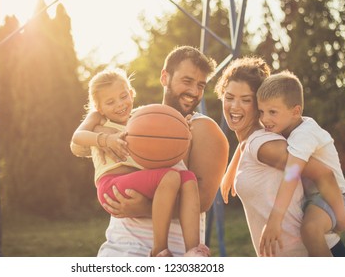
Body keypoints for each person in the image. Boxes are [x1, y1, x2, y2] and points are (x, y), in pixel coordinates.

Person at [73, 46, 229, 257]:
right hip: (119, 249)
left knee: (179, 178)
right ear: (164, 77)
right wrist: (104, 133)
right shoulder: (134, 118)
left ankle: (189, 250)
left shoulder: (204, 128)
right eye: (187, 81)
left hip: (175, 253)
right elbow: (77, 146)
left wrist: (145, 207)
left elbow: (202, 200)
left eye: (200, 85)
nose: (194, 91)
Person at [215, 56, 345, 256]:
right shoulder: (257, 141)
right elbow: (247, 144)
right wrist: (230, 170)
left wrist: (342, 218)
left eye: (245, 100)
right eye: (229, 97)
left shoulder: (265, 144)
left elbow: (323, 173)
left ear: (258, 102)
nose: (234, 106)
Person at [256, 70, 345, 256]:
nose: (264, 119)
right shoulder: (285, 125)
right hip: (313, 197)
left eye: (272, 112)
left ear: (296, 111)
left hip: (332, 195)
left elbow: (291, 174)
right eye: (261, 111)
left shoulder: (304, 134)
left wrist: (275, 220)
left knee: (310, 230)